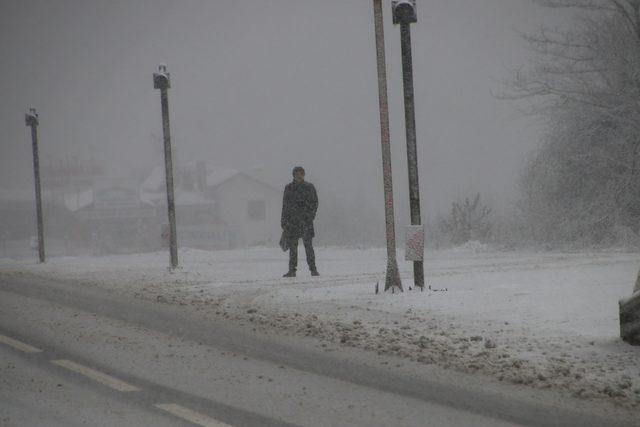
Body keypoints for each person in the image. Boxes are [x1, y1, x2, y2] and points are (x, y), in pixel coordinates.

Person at [281, 166, 319, 277]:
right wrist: (284, 221)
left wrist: (309, 217)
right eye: (296, 173)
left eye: (301, 173)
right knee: (292, 248)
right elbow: (285, 206)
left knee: (308, 247)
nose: (298, 175)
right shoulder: (288, 188)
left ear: (304, 175)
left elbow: (314, 203)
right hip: (292, 223)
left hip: (306, 222)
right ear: (293, 175)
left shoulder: (309, 187)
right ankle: (292, 270)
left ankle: (313, 269)